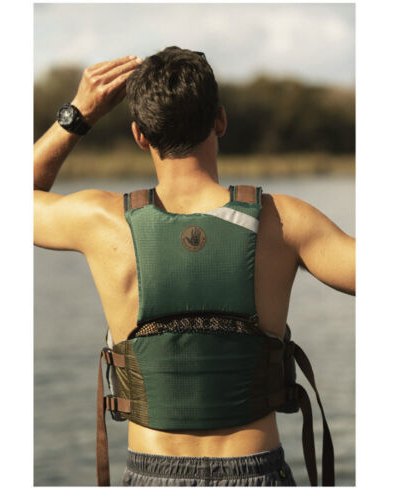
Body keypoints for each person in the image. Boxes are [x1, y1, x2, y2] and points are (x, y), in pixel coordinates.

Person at [34, 46, 355, 487]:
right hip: (257, 471)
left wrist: (78, 115)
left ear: (139, 136)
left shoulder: (101, 222)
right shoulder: (284, 221)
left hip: (151, 475)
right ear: (220, 121)